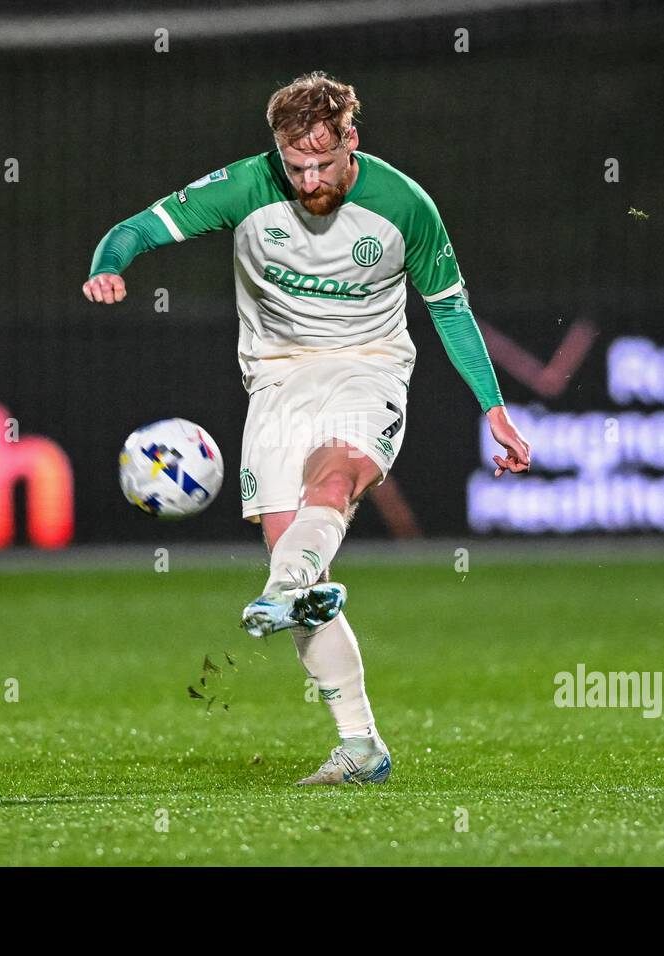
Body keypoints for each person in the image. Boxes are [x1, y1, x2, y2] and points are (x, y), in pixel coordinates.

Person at [83, 71, 530, 785]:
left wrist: (495, 407)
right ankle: (361, 746)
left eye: (324, 163)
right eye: (296, 167)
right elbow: (137, 228)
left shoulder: (404, 205)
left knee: (337, 474)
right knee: (298, 564)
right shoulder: (246, 187)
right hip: (277, 377)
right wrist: (110, 266)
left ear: (352, 137)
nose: (310, 179)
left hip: (370, 365)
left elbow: (448, 306)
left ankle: (286, 579)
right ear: (278, 154)